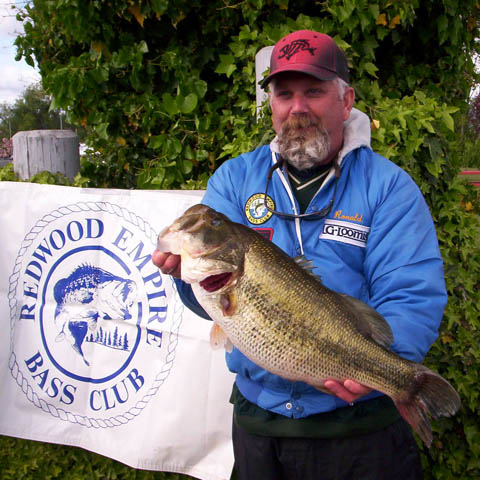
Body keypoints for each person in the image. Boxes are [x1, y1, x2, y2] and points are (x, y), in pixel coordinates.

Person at [153, 30, 447, 480]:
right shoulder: (234, 180)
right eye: (284, 93)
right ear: (270, 103)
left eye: (313, 91)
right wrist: (184, 278)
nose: (298, 107)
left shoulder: (388, 188)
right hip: (259, 428)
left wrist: (384, 370)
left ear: (345, 101)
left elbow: (412, 293)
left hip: (360, 431)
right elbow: (215, 303)